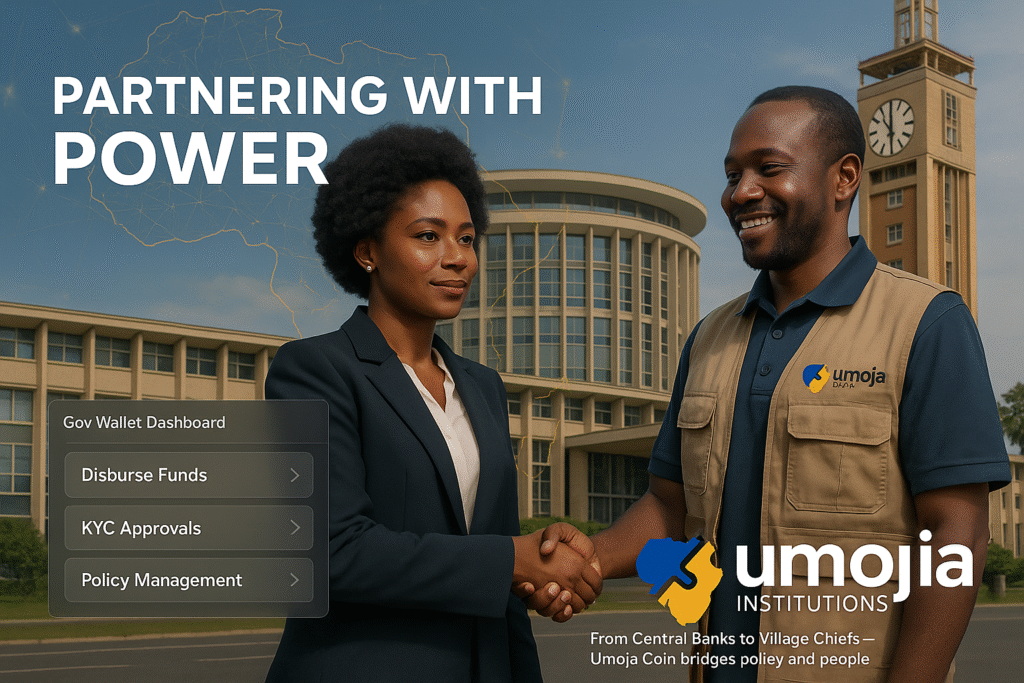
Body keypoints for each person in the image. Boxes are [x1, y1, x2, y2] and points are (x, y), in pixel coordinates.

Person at [526, 86, 1010, 682]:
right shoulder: (710, 337)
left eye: (768, 168)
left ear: (844, 178)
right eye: (732, 175)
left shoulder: (926, 323)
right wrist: (586, 559)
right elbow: (670, 508)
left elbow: (954, 536)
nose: (741, 192)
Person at [263, 123, 600, 683]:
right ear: (367, 250)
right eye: (428, 236)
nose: (458, 259)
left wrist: (530, 576)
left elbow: (498, 566)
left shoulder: (483, 386)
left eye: (467, 239)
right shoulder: (315, 371)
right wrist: (516, 560)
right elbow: (332, 552)